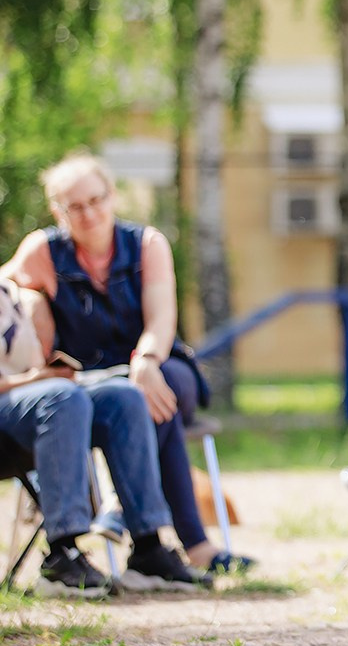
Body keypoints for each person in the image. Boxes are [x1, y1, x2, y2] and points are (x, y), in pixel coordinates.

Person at [2, 152, 240, 581]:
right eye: (75, 206)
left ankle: (128, 517)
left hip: (154, 362)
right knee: (116, 398)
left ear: (112, 197)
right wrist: (34, 302)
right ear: (59, 211)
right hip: (84, 381)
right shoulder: (45, 250)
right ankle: (180, 544)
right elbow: (7, 295)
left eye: (96, 199)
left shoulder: (145, 244)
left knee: (156, 389)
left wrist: (145, 361)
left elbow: (162, 319)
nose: (89, 212)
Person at [0, 270, 201, 594]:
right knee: (62, 397)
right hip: (14, 410)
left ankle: (148, 547)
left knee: (124, 397)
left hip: (33, 401)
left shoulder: (10, 291)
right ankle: (62, 555)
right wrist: (36, 380)